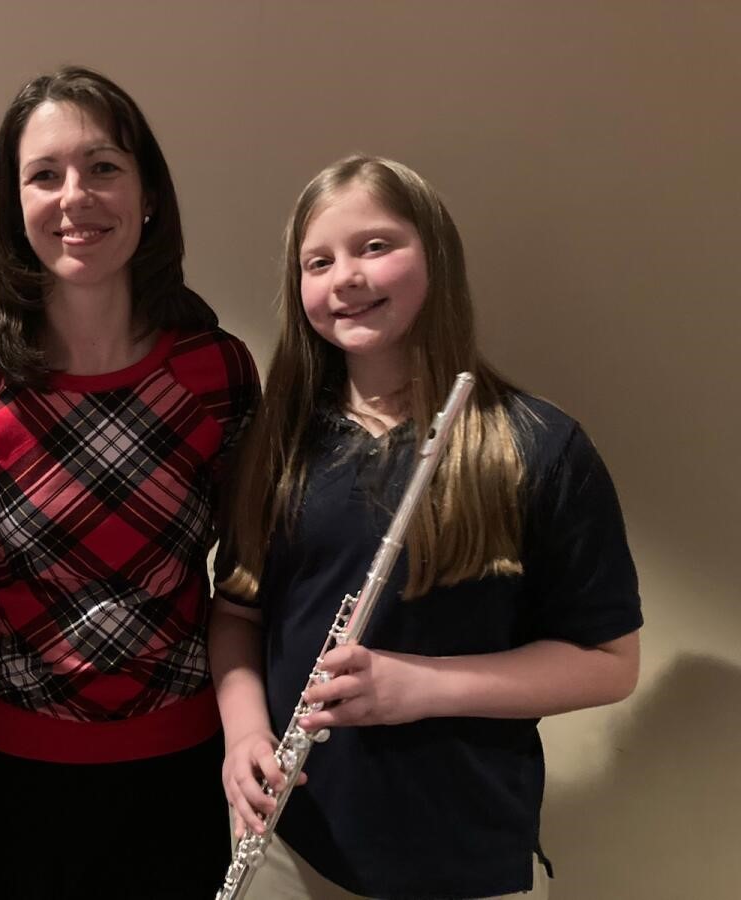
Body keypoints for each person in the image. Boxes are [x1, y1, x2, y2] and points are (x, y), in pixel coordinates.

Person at [209, 156, 643, 900]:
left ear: (436, 257)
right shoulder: (276, 443)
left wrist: (418, 686)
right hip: (293, 838)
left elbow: (610, 662)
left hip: (462, 853)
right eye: (319, 260)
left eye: (376, 247)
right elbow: (237, 616)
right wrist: (244, 732)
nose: (345, 275)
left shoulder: (536, 445)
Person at [0, 66, 259, 899]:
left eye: (104, 167)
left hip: (187, 757)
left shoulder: (216, 369)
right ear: (15, 205)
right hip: (20, 764)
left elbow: (246, 576)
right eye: (45, 174)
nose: (76, 196)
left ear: (148, 195)